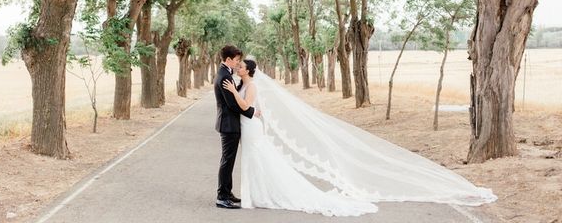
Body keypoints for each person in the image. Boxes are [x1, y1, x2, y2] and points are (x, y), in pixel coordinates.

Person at [222, 58, 497, 217]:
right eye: (238, 66)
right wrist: (237, 92)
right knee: (258, 161)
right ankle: (256, 194)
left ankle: (264, 194)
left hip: (252, 130)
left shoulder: (252, 85)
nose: (238, 68)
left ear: (249, 70)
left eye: (241, 67)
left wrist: (235, 95)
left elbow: (248, 107)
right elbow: (253, 109)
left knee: (261, 159)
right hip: (250, 128)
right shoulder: (242, 83)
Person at [213, 45, 255, 209]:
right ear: (228, 59)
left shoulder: (225, 74)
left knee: (228, 160)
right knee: (227, 161)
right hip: (229, 124)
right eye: (236, 60)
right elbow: (232, 104)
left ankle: (227, 193)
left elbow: (233, 99)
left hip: (229, 123)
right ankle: (222, 197)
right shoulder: (225, 77)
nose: (238, 63)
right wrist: (251, 111)